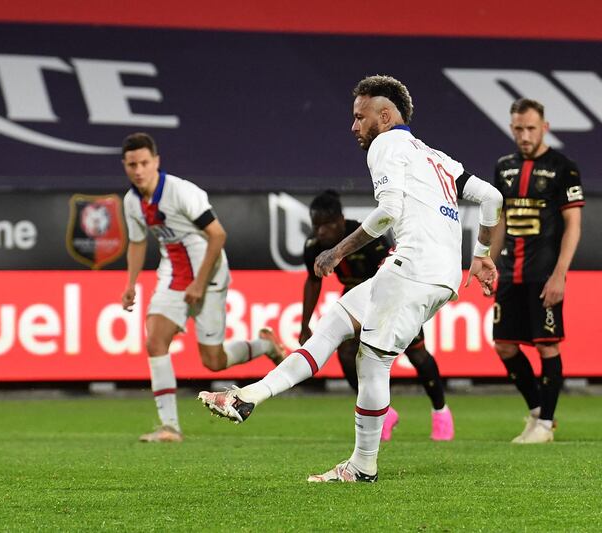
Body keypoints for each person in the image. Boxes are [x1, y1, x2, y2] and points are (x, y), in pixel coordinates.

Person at [200, 75, 502, 482]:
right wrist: (481, 254)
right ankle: (246, 396)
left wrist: (337, 250)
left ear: (385, 114)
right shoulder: (435, 157)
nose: (354, 126)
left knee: (373, 364)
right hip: (438, 273)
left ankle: (362, 467)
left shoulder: (386, 144)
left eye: (360, 117)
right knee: (331, 327)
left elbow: (388, 211)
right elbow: (492, 198)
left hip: (414, 268)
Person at [120, 132, 287, 443]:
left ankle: (265, 346)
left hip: (208, 274)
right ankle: (170, 427)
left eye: (144, 163)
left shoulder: (182, 192)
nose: (138, 170)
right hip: (173, 274)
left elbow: (218, 235)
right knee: (155, 340)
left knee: (213, 362)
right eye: (132, 164)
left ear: (156, 162)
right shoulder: (131, 201)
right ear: (125, 166)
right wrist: (130, 284)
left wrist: (199, 282)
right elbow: (137, 241)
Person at [301, 190, 454, 441]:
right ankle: (383, 413)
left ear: (340, 220)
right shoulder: (314, 247)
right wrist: (304, 323)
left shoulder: (370, 239)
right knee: (347, 355)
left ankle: (441, 412)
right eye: (316, 226)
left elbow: (392, 273)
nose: (320, 232)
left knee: (417, 353)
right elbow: (313, 282)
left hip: (393, 292)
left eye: (326, 225)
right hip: (355, 299)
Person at [490, 98, 584, 444]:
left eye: (530, 128)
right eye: (518, 128)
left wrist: (561, 273)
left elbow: (573, 224)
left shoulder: (563, 167)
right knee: (504, 346)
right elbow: (500, 221)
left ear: (544, 127)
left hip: (544, 273)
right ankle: (535, 412)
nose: (524, 135)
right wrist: (488, 260)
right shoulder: (504, 166)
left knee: (547, 346)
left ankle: (546, 423)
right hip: (510, 272)